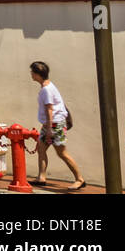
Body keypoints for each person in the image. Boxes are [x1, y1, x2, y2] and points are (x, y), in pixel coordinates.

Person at [30, 61, 83, 190]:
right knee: (41, 149)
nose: (31, 74)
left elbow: (49, 109)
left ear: (37, 74)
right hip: (50, 124)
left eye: (32, 72)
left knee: (62, 153)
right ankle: (41, 177)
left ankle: (79, 179)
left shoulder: (46, 90)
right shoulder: (47, 87)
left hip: (54, 125)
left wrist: (48, 129)